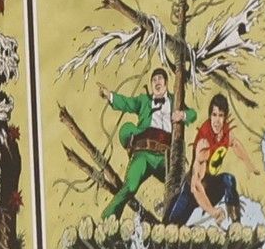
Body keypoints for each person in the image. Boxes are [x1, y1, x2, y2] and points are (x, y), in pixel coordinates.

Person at [100, 67, 194, 219]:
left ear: (166, 82)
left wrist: (182, 115)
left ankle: (178, 223)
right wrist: (109, 95)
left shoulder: (175, 101)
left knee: (182, 187)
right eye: (154, 80)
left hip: (166, 158)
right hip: (144, 154)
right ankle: (108, 218)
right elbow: (127, 103)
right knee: (130, 186)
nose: (157, 82)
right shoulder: (144, 100)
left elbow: (193, 115)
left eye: (160, 79)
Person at [165, 93, 255, 226]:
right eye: (214, 115)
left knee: (229, 179)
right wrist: (213, 212)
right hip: (192, 194)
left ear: (225, 117)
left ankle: (236, 224)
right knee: (171, 226)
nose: (217, 121)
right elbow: (196, 187)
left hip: (211, 189)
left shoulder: (225, 133)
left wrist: (250, 165)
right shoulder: (204, 144)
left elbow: (235, 144)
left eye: (220, 115)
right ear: (210, 116)